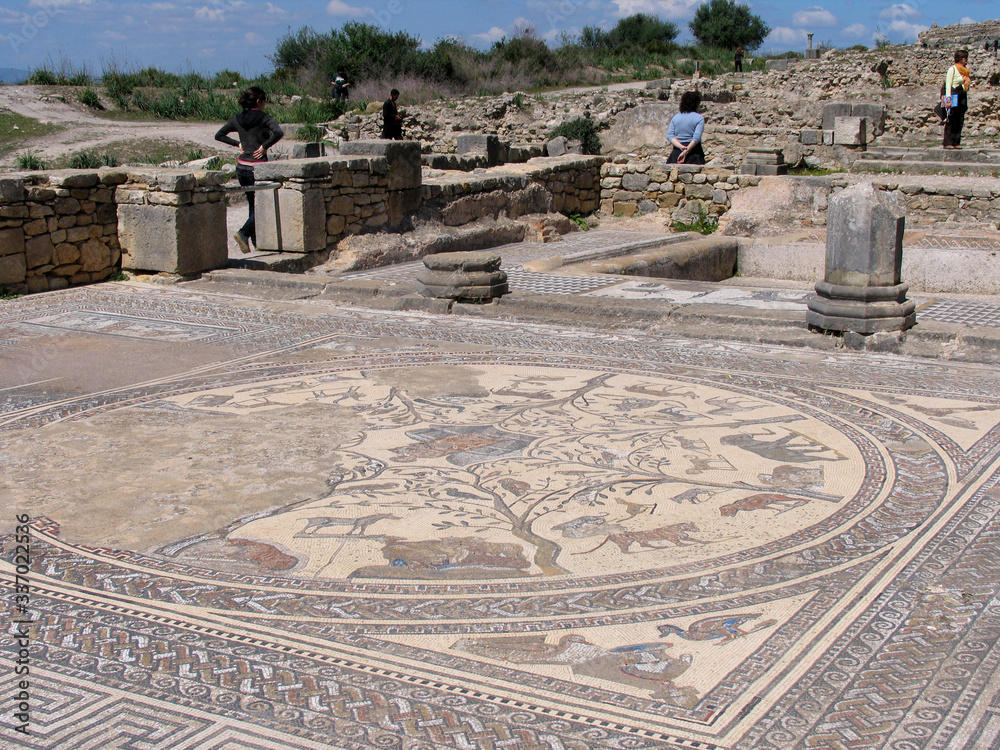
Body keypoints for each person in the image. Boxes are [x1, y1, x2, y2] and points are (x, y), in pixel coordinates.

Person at [215, 86, 284, 254]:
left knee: (253, 206)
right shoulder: (264, 117)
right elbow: (278, 132)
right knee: (262, 206)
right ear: (259, 101)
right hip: (257, 167)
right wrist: (265, 146)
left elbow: (219, 135)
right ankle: (244, 233)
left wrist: (237, 144)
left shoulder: (238, 118)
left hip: (241, 167)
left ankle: (256, 242)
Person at [666, 91, 705, 165]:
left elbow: (670, 135)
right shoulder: (699, 118)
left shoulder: (676, 117)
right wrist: (686, 151)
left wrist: (681, 147)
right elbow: (696, 138)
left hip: (677, 151)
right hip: (694, 152)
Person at [943, 49, 971, 149]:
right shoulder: (953, 69)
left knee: (960, 119)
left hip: (962, 95)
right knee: (951, 119)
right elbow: (948, 84)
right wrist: (948, 98)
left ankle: (956, 141)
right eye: (964, 58)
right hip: (954, 95)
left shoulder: (965, 71)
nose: (966, 60)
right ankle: (948, 142)